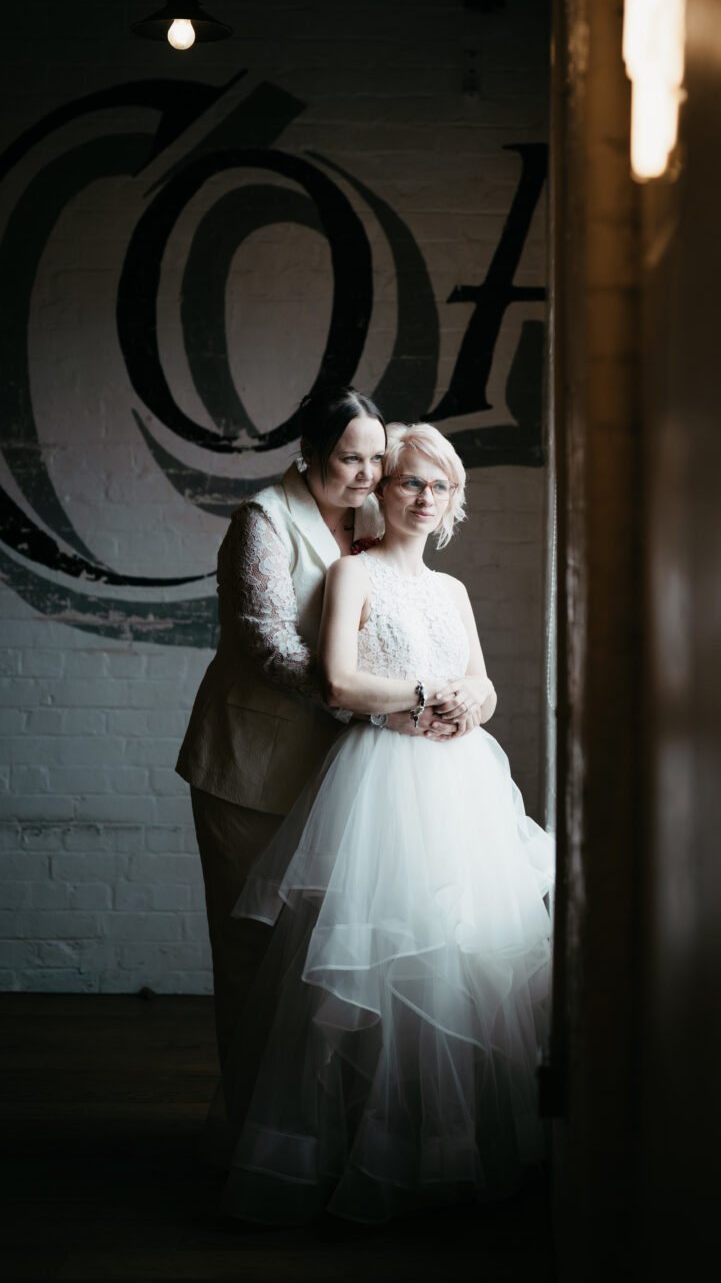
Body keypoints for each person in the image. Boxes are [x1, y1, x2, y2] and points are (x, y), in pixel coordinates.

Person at [219, 422, 554, 1225]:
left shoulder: (454, 591)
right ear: (383, 490)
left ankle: (450, 1146)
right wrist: (419, 701)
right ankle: (363, 1149)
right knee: (378, 968)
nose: (423, 497)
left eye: (438, 486)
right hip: (382, 781)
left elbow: (482, 684)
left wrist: (472, 702)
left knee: (464, 961)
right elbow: (336, 681)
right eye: (408, 482)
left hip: (462, 780)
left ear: (452, 503)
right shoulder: (351, 572)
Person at [176, 385, 455, 1075]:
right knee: (253, 950)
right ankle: (247, 1135)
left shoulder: (366, 530)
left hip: (339, 773)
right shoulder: (263, 522)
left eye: (374, 461)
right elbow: (270, 644)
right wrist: (370, 702)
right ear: (308, 453)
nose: (366, 476)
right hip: (251, 765)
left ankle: (313, 1129)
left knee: (321, 959)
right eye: (348, 459)